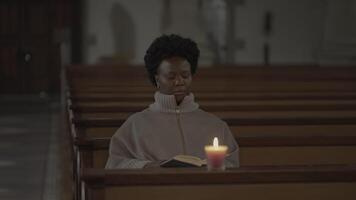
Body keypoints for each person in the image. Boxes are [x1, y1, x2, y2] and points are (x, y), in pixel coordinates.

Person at [105, 34, 239, 169]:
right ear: (157, 79)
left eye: (185, 75)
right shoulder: (135, 125)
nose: (179, 82)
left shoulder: (216, 125)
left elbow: (233, 165)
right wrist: (147, 166)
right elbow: (115, 164)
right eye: (171, 76)